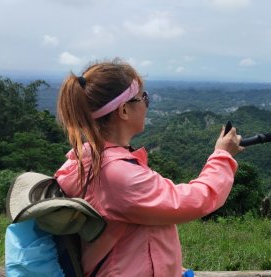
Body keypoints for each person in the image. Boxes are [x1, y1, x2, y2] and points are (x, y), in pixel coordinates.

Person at [54, 59, 244, 276]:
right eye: (143, 97)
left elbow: (130, 234)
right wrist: (223, 155)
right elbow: (195, 200)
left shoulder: (84, 160)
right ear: (124, 110)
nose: (147, 103)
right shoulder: (117, 174)